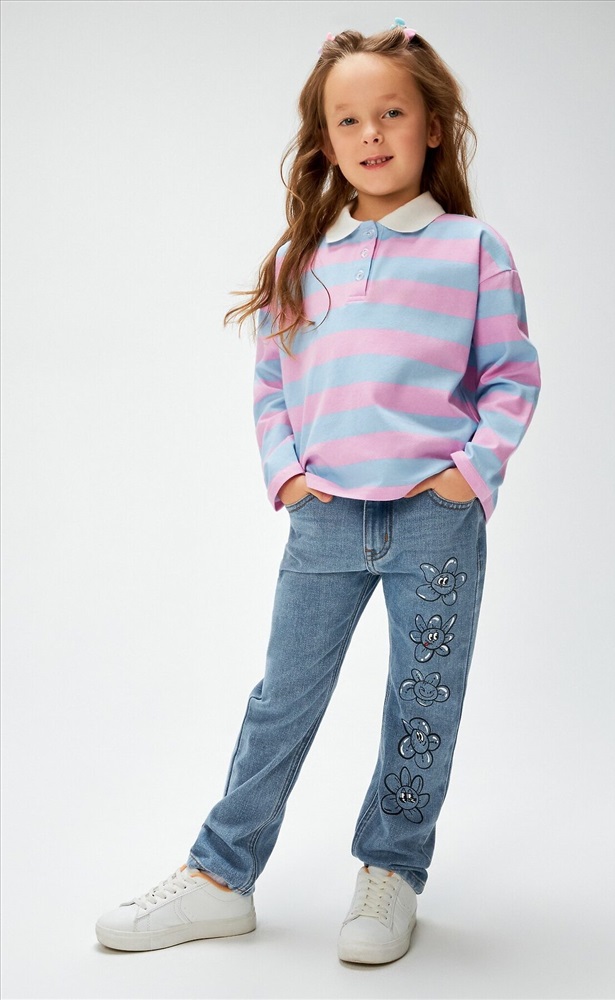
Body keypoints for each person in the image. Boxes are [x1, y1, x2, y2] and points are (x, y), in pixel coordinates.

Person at [96, 19, 541, 965]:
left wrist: (468, 475)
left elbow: (511, 377)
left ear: (432, 127)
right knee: (282, 699)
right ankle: (221, 877)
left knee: (423, 702)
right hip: (326, 518)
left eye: (392, 113)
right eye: (348, 120)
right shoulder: (301, 261)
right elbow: (272, 384)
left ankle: (392, 871)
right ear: (325, 142)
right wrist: (289, 477)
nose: (371, 133)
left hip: (435, 520)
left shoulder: (473, 250)